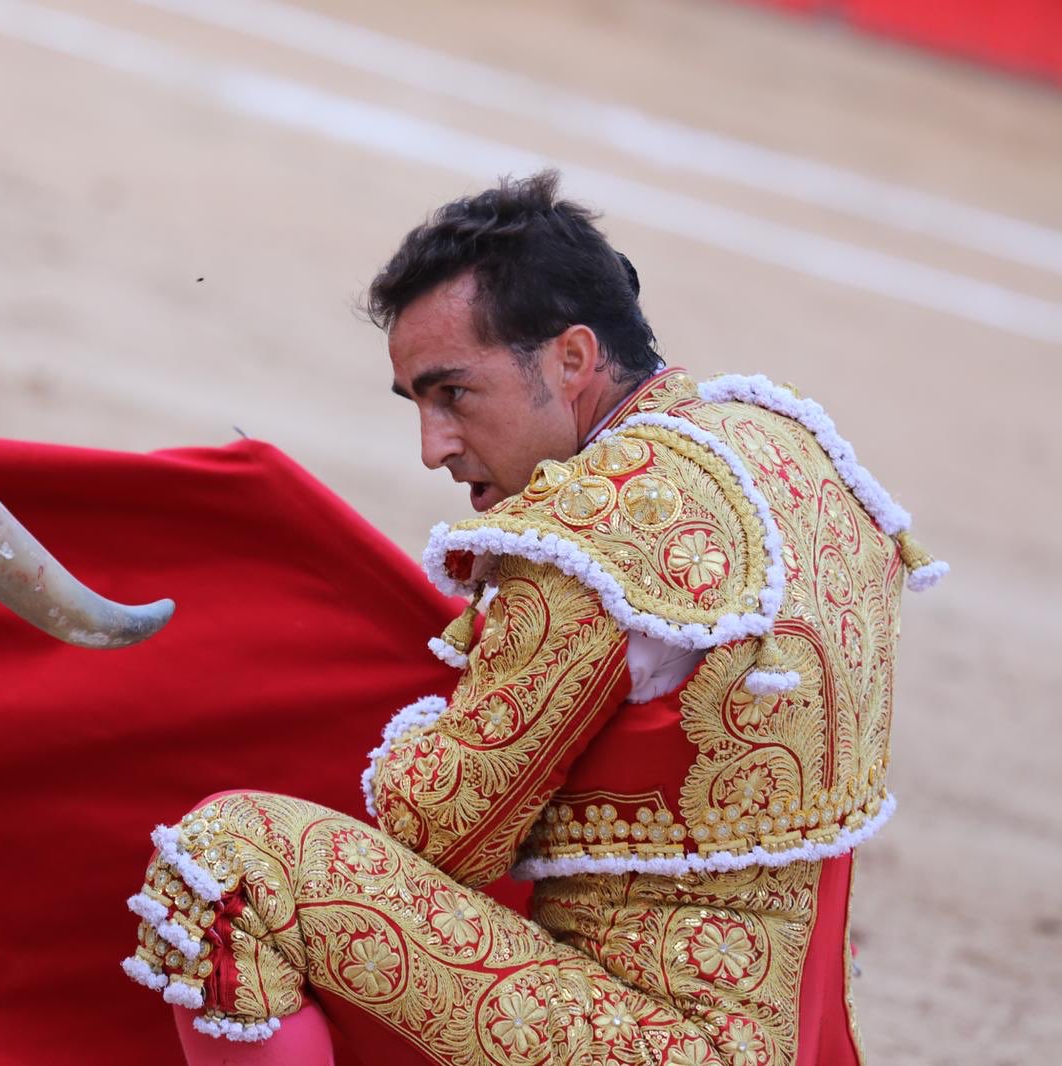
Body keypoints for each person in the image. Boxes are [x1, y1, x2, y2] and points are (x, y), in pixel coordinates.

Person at [120, 170, 945, 1065]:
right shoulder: (785, 449)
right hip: (793, 1030)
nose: (433, 446)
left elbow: (438, 835)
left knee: (233, 866)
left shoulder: (599, 529)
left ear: (574, 358)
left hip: (657, 1039)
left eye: (453, 395)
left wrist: (414, 725)